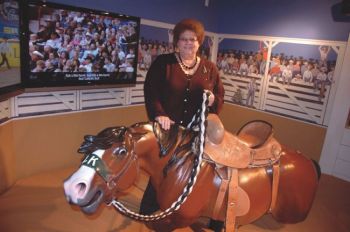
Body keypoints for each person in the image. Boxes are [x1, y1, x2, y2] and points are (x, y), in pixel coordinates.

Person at [142, 18, 225, 231]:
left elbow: (219, 95)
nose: (189, 43)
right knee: (163, 169)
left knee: (211, 167)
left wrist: (214, 100)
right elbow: (151, 93)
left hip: (198, 129)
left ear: (200, 43)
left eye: (193, 40)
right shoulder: (163, 64)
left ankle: (215, 212)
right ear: (177, 42)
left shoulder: (210, 68)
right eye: (184, 39)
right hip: (169, 129)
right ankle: (150, 207)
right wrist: (159, 114)